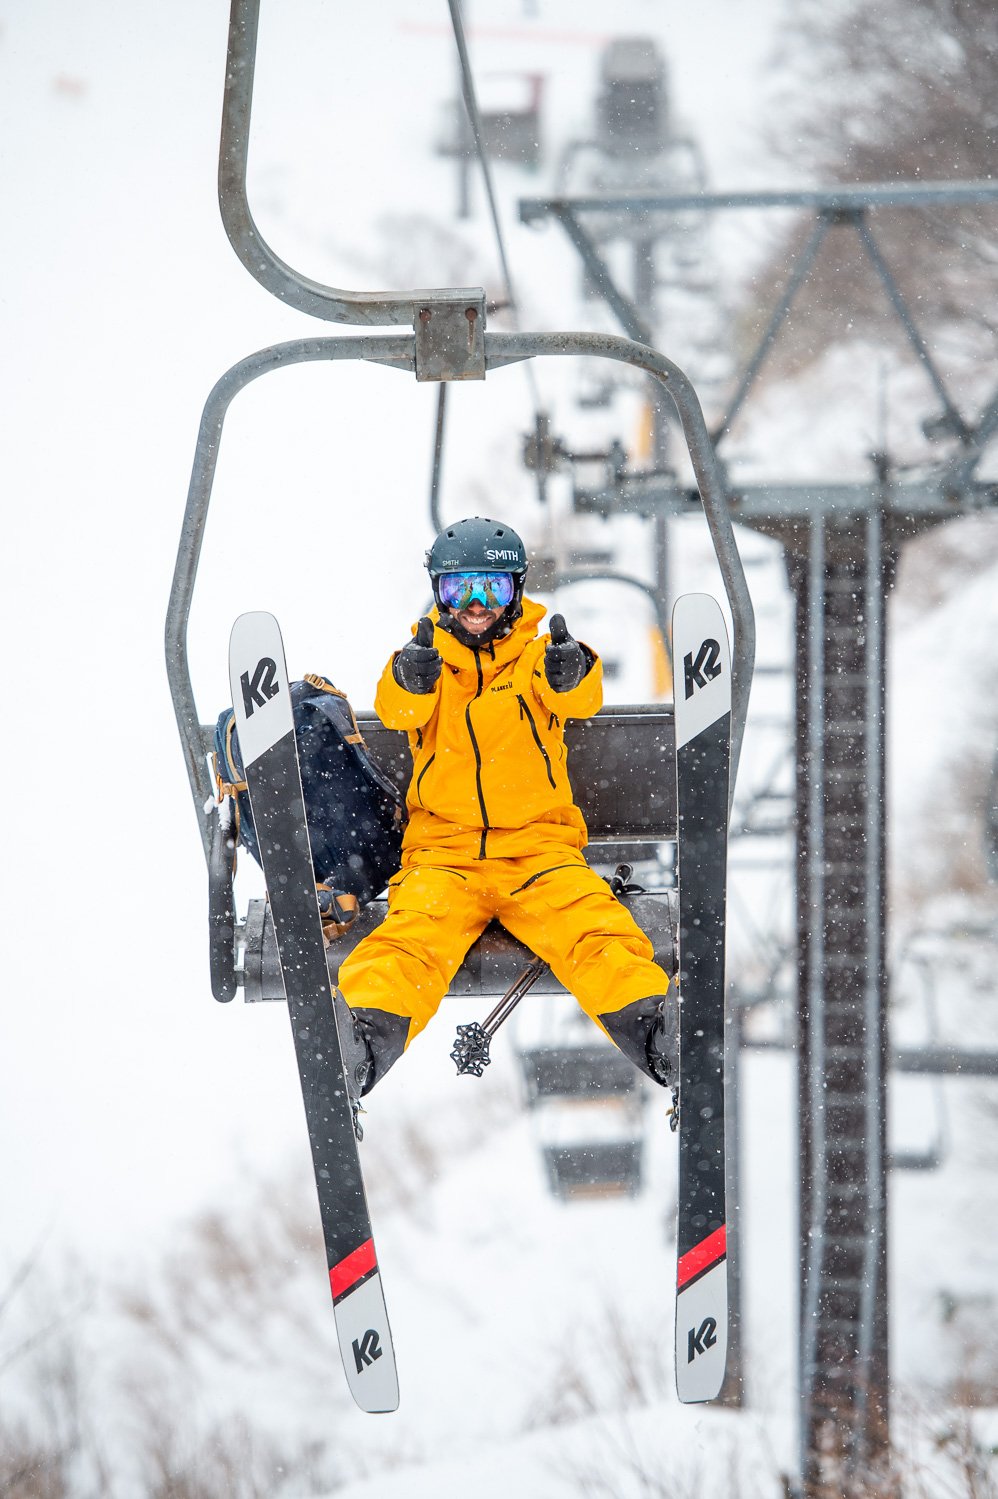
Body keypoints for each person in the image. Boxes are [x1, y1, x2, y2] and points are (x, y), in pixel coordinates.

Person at [334, 516, 677, 1100]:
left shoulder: (540, 657)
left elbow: (579, 691)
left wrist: (572, 669)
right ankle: (361, 1044)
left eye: (490, 589)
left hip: (538, 853)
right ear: (439, 594)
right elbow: (397, 712)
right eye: (458, 589)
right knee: (412, 942)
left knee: (591, 931)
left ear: (516, 591)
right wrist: (411, 679)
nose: (475, 604)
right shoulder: (423, 662)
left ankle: (660, 1038)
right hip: (444, 858)